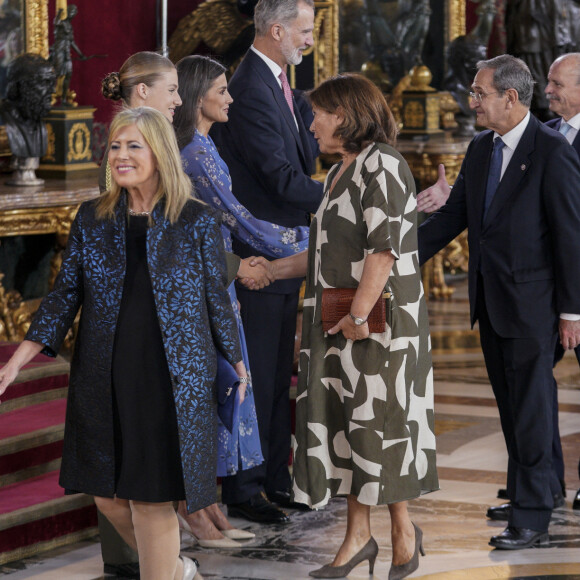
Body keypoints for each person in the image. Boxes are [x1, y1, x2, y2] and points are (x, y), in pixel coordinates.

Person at [0, 106, 254, 579]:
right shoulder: (92, 219)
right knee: (109, 496)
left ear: (158, 152)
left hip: (172, 379)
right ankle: (175, 569)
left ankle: (166, 573)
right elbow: (62, 297)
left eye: (133, 145)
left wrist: (237, 364)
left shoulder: (194, 220)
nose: (120, 155)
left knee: (152, 498)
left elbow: (215, 300)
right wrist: (18, 361)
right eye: (115, 146)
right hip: (105, 375)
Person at [251, 73, 438, 579]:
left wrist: (357, 316)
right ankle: (368, 535)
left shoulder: (384, 164)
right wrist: (270, 269)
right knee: (351, 429)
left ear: (347, 115)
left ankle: (391, 534)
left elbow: (383, 250)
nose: (311, 124)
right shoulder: (339, 172)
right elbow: (325, 254)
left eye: (320, 114)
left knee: (381, 428)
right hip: (339, 321)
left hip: (377, 326)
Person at [418, 55, 580, 550]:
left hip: (534, 306)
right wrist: (397, 254)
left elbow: (571, 236)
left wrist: (572, 311)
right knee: (512, 409)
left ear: (510, 97)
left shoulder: (551, 151)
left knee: (530, 410)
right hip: (489, 302)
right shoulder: (481, 148)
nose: (472, 102)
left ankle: (531, 516)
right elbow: (454, 219)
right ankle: (542, 489)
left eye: (479, 93)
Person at [174, 53, 311, 544]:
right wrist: (301, 245)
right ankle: (232, 493)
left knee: (251, 381)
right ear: (198, 98)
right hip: (216, 277)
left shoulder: (204, 147)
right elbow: (238, 218)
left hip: (228, 271)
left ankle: (254, 487)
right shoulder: (195, 152)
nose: (229, 97)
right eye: (221, 91)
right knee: (235, 383)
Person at [210, 0, 324, 524]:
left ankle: (276, 477)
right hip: (255, 258)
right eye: (305, 30)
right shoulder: (253, 88)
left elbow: (301, 160)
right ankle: (244, 487)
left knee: (279, 374)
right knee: (253, 372)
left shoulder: (279, 84)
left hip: (285, 253)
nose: (310, 40)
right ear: (276, 30)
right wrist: (344, 200)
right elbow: (280, 178)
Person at [545, 51, 580, 511]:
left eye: (558, 83)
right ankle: (541, 488)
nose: (548, 90)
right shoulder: (544, 137)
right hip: (542, 292)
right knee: (531, 391)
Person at [0, 53, 56, 159]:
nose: (52, 90)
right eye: (45, 82)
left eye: (52, 84)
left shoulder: (37, 122)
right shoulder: (4, 121)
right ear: (22, 86)